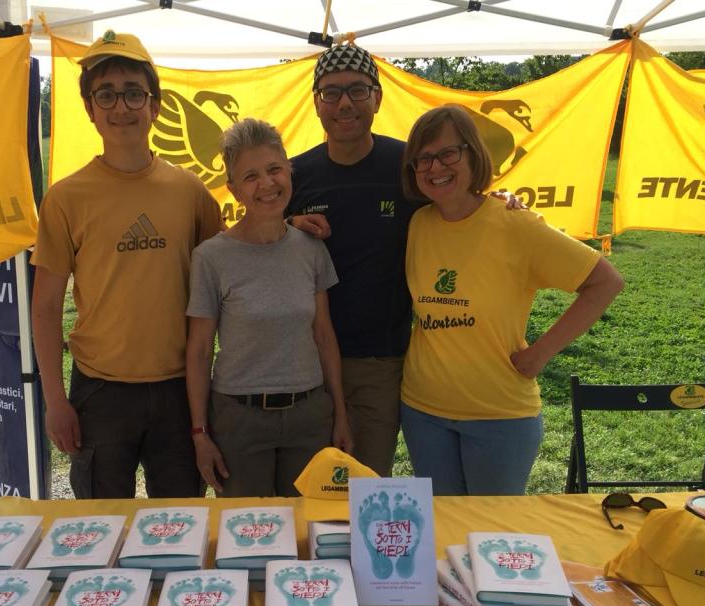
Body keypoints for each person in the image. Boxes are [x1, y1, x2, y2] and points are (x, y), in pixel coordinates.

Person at [288, 42, 523, 478]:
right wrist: (288, 230)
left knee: (363, 485)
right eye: (331, 92)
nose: (344, 103)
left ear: (377, 98)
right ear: (316, 103)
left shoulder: (405, 165)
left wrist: (498, 203)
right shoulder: (295, 174)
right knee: (303, 488)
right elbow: (262, 244)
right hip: (304, 363)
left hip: (380, 363)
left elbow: (457, 203)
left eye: (358, 90)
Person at [30, 31, 222, 499]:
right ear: (90, 109)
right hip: (101, 392)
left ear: (154, 106)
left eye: (134, 93)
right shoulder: (66, 198)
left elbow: (234, 266)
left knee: (178, 527)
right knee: (101, 527)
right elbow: (45, 307)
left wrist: (290, 224)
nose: (122, 107)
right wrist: (55, 399)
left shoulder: (190, 192)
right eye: (107, 94)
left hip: (180, 389)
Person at [399, 104, 624, 495]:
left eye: (449, 153)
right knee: (443, 532)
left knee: (491, 540)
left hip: (499, 416)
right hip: (423, 412)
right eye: (424, 159)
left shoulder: (514, 223)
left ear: (474, 153)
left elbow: (605, 282)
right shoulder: (418, 224)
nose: (436, 167)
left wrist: (541, 353)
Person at [186, 118, 352, 497]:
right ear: (233, 190)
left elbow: (324, 336)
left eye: (275, 169)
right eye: (251, 177)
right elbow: (198, 352)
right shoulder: (211, 258)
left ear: (289, 171)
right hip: (238, 420)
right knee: (246, 535)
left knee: (307, 533)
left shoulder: (311, 249)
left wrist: (340, 414)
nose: (267, 184)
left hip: (308, 416)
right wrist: (199, 433)